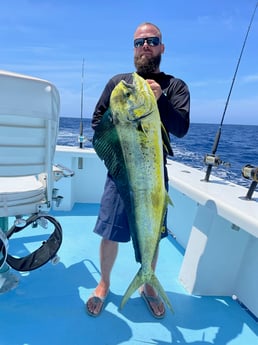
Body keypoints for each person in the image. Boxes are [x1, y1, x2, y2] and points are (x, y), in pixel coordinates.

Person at [86, 22, 190, 318]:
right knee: (109, 232)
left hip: (154, 173)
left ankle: (148, 284)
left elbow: (181, 128)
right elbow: (97, 121)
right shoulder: (119, 83)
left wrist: (161, 100)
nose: (145, 45)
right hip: (121, 171)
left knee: (152, 231)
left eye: (152, 40)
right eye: (139, 42)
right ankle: (104, 283)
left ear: (161, 47)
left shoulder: (175, 87)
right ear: (133, 49)